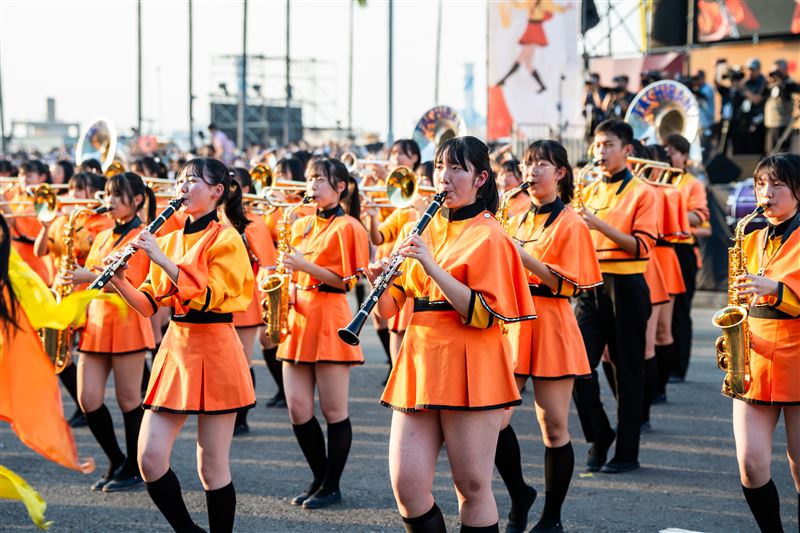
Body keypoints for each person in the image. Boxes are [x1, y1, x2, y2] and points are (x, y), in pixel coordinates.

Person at [372, 136, 536, 532]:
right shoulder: (418, 227)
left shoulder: (491, 235)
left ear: (481, 178)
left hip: (471, 359)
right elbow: (390, 309)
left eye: (456, 168)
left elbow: (483, 314)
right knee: (407, 484)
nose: (443, 176)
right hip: (420, 359)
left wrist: (431, 266)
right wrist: (378, 283)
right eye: (440, 167)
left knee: (473, 485)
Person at [106, 157, 255, 532]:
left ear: (217, 192)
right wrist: (119, 280)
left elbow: (210, 294)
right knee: (150, 459)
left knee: (212, 465)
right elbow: (147, 305)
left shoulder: (227, 238)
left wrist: (159, 257)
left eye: (192, 181)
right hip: (176, 347)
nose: (183, 188)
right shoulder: (169, 238)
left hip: (217, 345)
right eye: (180, 181)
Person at [500, 140, 602, 533]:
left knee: (554, 425)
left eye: (542, 163)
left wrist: (521, 256)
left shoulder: (572, 222)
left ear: (560, 173)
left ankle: (551, 517)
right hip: (514, 322)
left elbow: (569, 286)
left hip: (552, 321)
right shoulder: (517, 215)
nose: (532, 171)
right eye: (528, 163)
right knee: (494, 420)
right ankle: (519, 495)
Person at [276, 158, 369, 509]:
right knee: (298, 409)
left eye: (320, 179)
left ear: (340, 186)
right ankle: (320, 477)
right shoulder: (299, 223)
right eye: (310, 178)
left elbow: (348, 281)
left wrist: (305, 266)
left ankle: (331, 485)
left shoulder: (349, 227)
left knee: (334, 411)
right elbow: (290, 271)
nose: (311, 185)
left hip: (331, 317)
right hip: (297, 318)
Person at [58, 172, 156, 492]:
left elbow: (137, 285)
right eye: (108, 194)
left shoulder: (142, 236)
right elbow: (92, 279)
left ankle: (135, 466)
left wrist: (86, 275)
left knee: (130, 400)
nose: (109, 201)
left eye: (117, 195)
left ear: (137, 200)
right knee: (88, 399)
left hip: (127, 322)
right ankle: (117, 459)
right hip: (96, 323)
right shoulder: (102, 236)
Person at [572, 119, 657, 474]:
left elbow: (642, 247)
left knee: (628, 373)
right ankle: (600, 434)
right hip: (590, 288)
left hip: (626, 287)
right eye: (597, 145)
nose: (600, 152)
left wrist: (598, 225)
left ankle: (627, 452)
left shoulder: (643, 192)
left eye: (608, 145)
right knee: (574, 366)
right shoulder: (588, 191)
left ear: (627, 150)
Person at [728, 153, 800, 532]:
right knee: (751, 465)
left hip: (798, 357)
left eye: (776, 185)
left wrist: (777, 290)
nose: (766, 193)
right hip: (754, 359)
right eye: (760, 184)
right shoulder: (750, 237)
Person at [33, 172, 113, 429]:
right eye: (74, 189)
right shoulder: (62, 219)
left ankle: (96, 401)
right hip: (61, 291)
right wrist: (46, 226)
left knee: (88, 352)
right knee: (58, 352)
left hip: (89, 295)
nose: (76, 196)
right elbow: (40, 251)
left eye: (83, 190)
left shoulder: (103, 222)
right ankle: (81, 404)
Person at [364, 139, 422, 380]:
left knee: (404, 323)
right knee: (384, 320)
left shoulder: (413, 194)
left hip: (412, 263)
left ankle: (399, 367)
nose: (397, 157)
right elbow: (377, 235)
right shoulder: (390, 188)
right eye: (394, 153)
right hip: (389, 256)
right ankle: (395, 364)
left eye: (403, 154)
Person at [229, 167, 277, 436]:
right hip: (218, 297)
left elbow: (268, 265)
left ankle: (242, 415)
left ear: (246, 189)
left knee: (242, 360)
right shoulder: (215, 219)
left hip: (245, 298)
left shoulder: (254, 222)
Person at [664, 134, 710, 383]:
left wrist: (667, 208)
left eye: (672, 152)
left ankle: (678, 366)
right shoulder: (657, 180)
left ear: (683, 156)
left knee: (680, 310)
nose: (668, 155)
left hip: (682, 250)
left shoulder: (693, 183)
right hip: (660, 249)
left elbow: (700, 218)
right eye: (666, 151)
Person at [763, 59, 800, 154]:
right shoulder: (771, 85)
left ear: (785, 70)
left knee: (781, 153)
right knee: (770, 153)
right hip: (770, 124)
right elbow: (762, 94)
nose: (776, 74)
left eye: (778, 71)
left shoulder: (790, 84)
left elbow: (788, 97)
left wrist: (780, 84)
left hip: (783, 124)